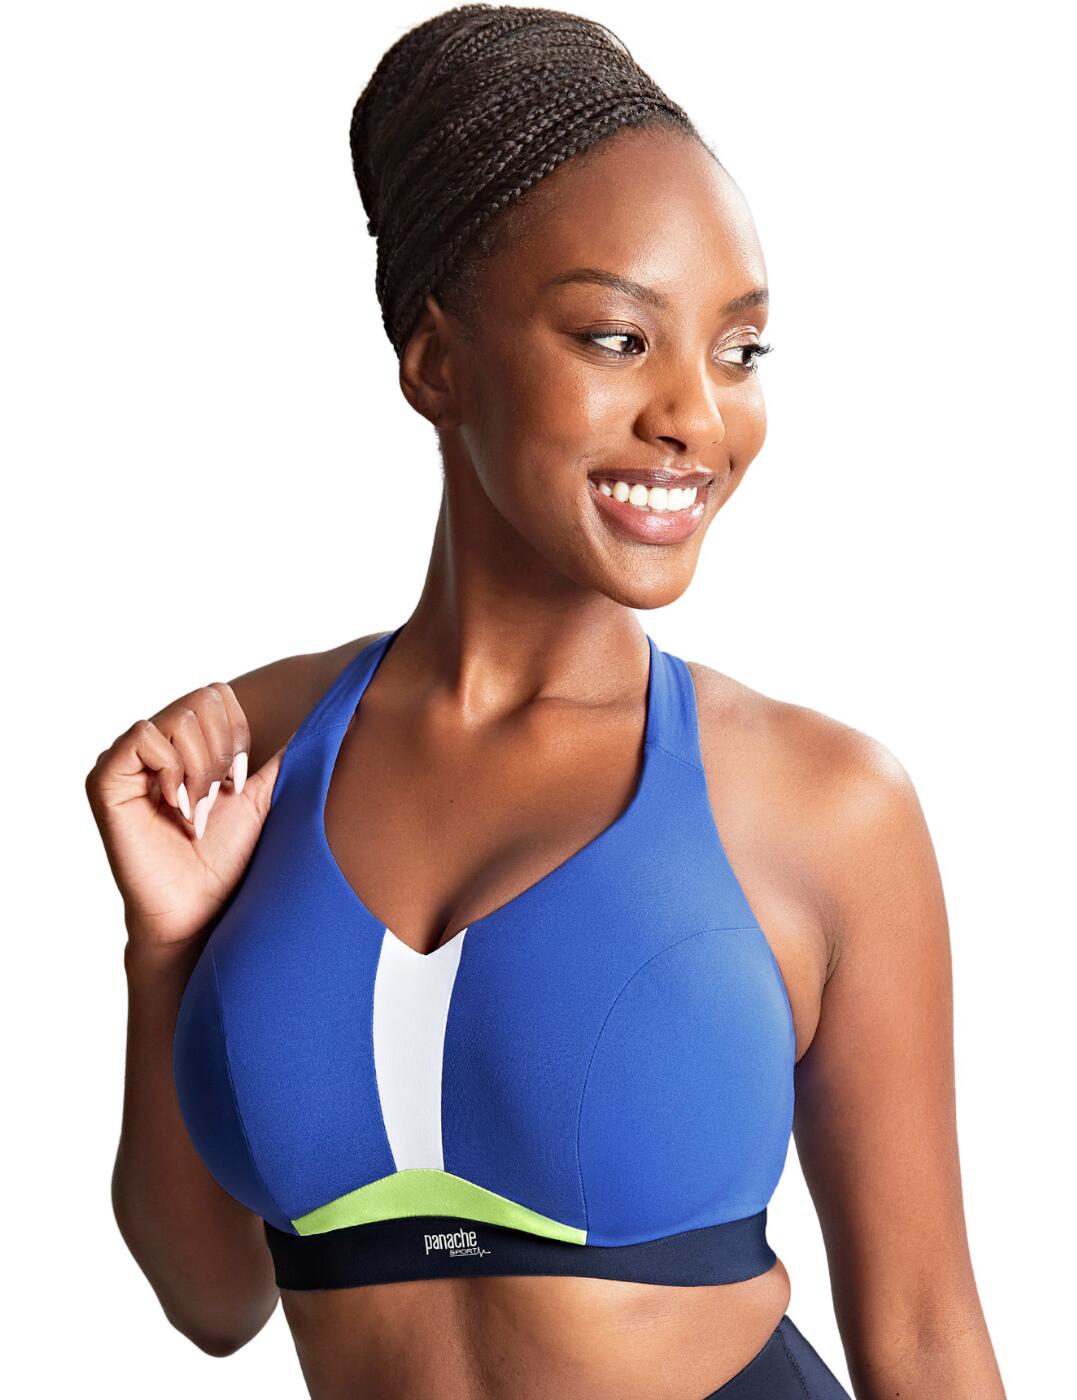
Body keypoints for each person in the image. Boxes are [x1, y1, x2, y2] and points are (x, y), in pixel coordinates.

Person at [85, 6, 1007, 1397]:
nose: (696, 415)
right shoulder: (251, 754)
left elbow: (926, 1334)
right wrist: (163, 950)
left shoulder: (821, 805)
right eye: (618, 338)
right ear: (436, 362)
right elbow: (211, 1298)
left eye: (739, 350)